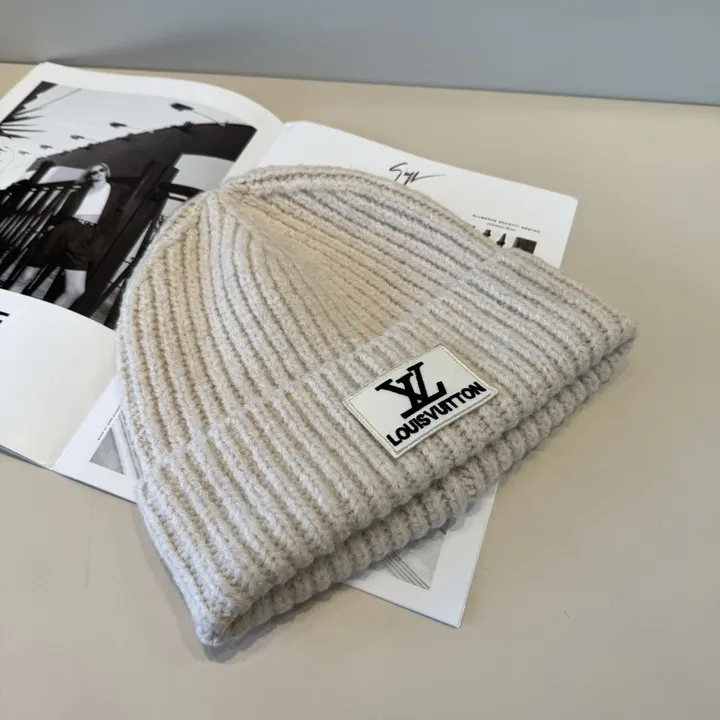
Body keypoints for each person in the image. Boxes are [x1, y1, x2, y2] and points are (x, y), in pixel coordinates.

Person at [9, 163, 113, 308]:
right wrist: (48, 230)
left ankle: (49, 319)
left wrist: (93, 242)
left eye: (102, 170)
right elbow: (60, 215)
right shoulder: (79, 192)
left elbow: (112, 222)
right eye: (94, 172)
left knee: (76, 290)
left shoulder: (115, 192)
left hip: (85, 234)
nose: (99, 173)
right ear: (89, 176)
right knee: (26, 277)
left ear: (107, 171)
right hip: (64, 228)